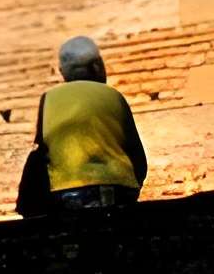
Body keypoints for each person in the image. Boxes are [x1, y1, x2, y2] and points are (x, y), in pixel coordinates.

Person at [34, 35, 149, 212]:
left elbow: (42, 150)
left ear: (62, 71)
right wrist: (134, 184)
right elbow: (136, 154)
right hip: (120, 187)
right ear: (97, 66)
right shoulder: (115, 96)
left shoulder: (48, 99)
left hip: (67, 190)